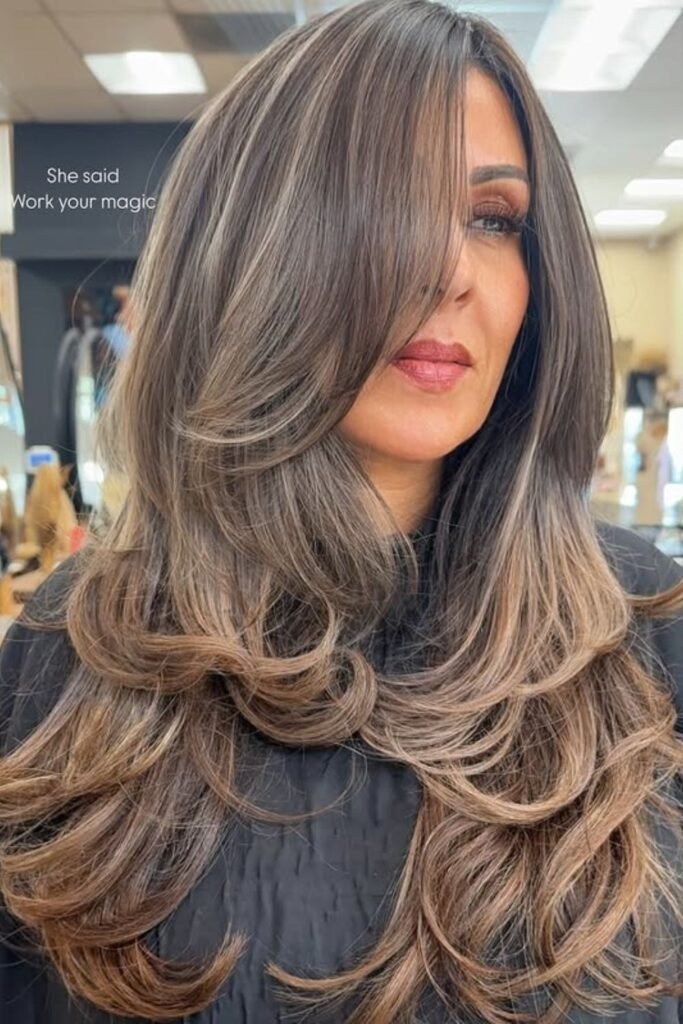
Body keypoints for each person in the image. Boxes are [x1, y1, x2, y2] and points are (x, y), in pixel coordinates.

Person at [0, 2, 682, 1022]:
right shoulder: (79, 645)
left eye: (493, 219)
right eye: (381, 206)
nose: (450, 271)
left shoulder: (639, 628)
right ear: (247, 252)